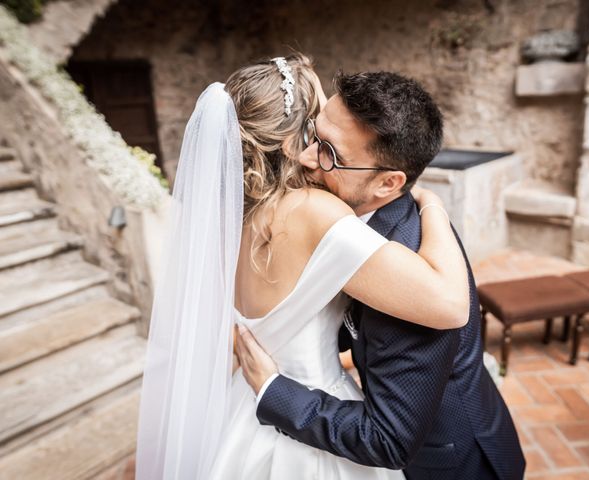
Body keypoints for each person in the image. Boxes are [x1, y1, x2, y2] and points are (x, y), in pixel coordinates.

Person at [135, 53, 469, 480]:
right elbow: (450, 304)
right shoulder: (314, 212)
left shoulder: (230, 217)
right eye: (315, 133)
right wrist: (434, 204)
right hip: (311, 422)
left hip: (245, 405)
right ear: (292, 141)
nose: (315, 155)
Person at [236, 71, 527, 480]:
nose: (305, 158)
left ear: (388, 183)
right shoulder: (340, 223)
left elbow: (388, 439)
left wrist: (272, 389)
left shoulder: (407, 266)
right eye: (311, 137)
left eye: (329, 154)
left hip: (451, 464)